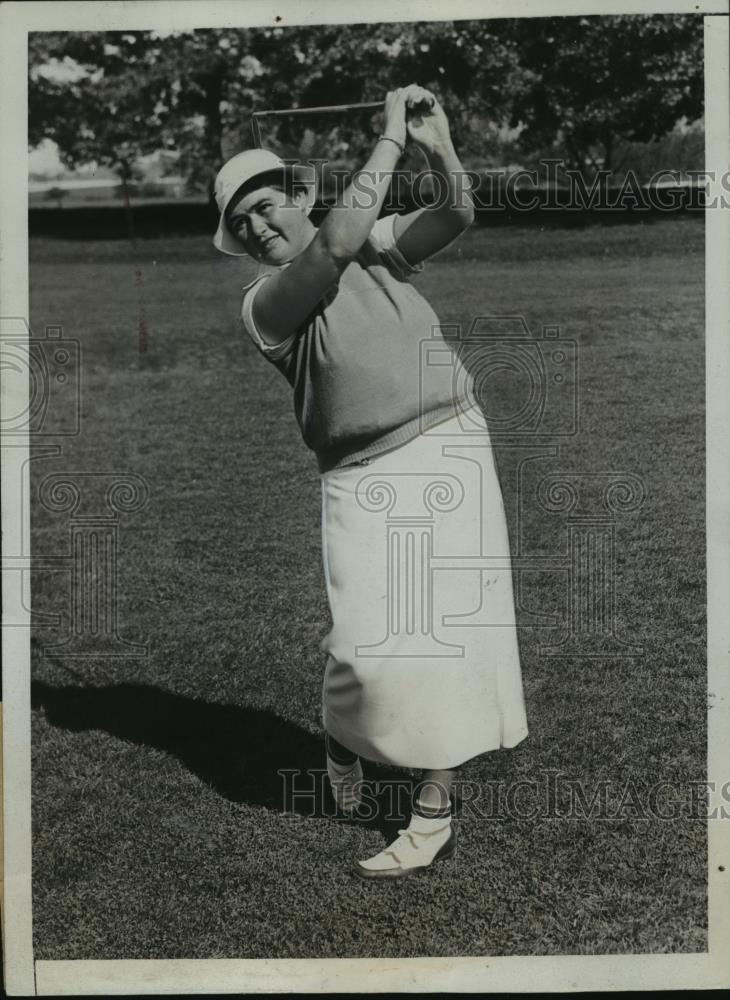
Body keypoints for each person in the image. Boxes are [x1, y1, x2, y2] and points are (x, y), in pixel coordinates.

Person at [213, 85, 528, 880]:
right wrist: (389, 138)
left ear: (299, 198)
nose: (258, 224)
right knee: (365, 649)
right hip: (359, 476)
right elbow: (330, 250)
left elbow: (455, 214)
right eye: (242, 219)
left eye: (266, 205)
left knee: (449, 637)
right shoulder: (263, 304)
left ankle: (432, 814)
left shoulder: (376, 241)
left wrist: (438, 142)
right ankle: (341, 743)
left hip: (450, 445)